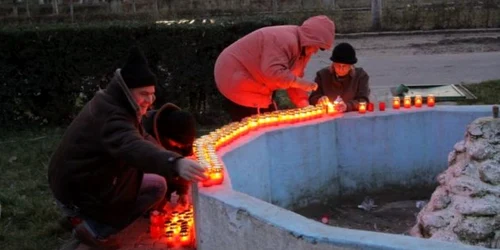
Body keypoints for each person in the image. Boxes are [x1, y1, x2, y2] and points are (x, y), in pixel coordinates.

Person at [48, 46, 207, 250]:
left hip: (86, 182)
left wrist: (175, 162)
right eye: (144, 93)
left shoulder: (121, 105)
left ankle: (82, 218)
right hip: (77, 189)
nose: (149, 100)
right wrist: (173, 162)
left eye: (152, 94)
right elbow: (132, 145)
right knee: (154, 189)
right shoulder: (112, 115)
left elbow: (143, 138)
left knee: (156, 184)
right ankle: (94, 228)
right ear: (126, 90)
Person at [214, 15, 335, 122]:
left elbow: (294, 77)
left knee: (269, 120)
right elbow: (273, 72)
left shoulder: (303, 49)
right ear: (310, 39)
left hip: (254, 80)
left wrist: (304, 104)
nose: (315, 51)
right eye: (317, 46)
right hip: (236, 77)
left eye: (321, 48)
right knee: (253, 127)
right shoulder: (283, 40)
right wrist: (301, 83)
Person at [142, 102, 197, 209]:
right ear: (166, 136)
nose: (180, 147)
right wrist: (160, 203)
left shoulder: (184, 130)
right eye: (177, 143)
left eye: (184, 145)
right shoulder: (144, 131)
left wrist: (182, 191)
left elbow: (184, 162)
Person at [309, 42, 370, 112]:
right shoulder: (322, 76)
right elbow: (313, 97)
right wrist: (319, 100)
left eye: (344, 66)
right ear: (333, 63)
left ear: (351, 65)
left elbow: (364, 100)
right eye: (338, 65)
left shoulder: (360, 76)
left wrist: (347, 106)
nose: (341, 69)